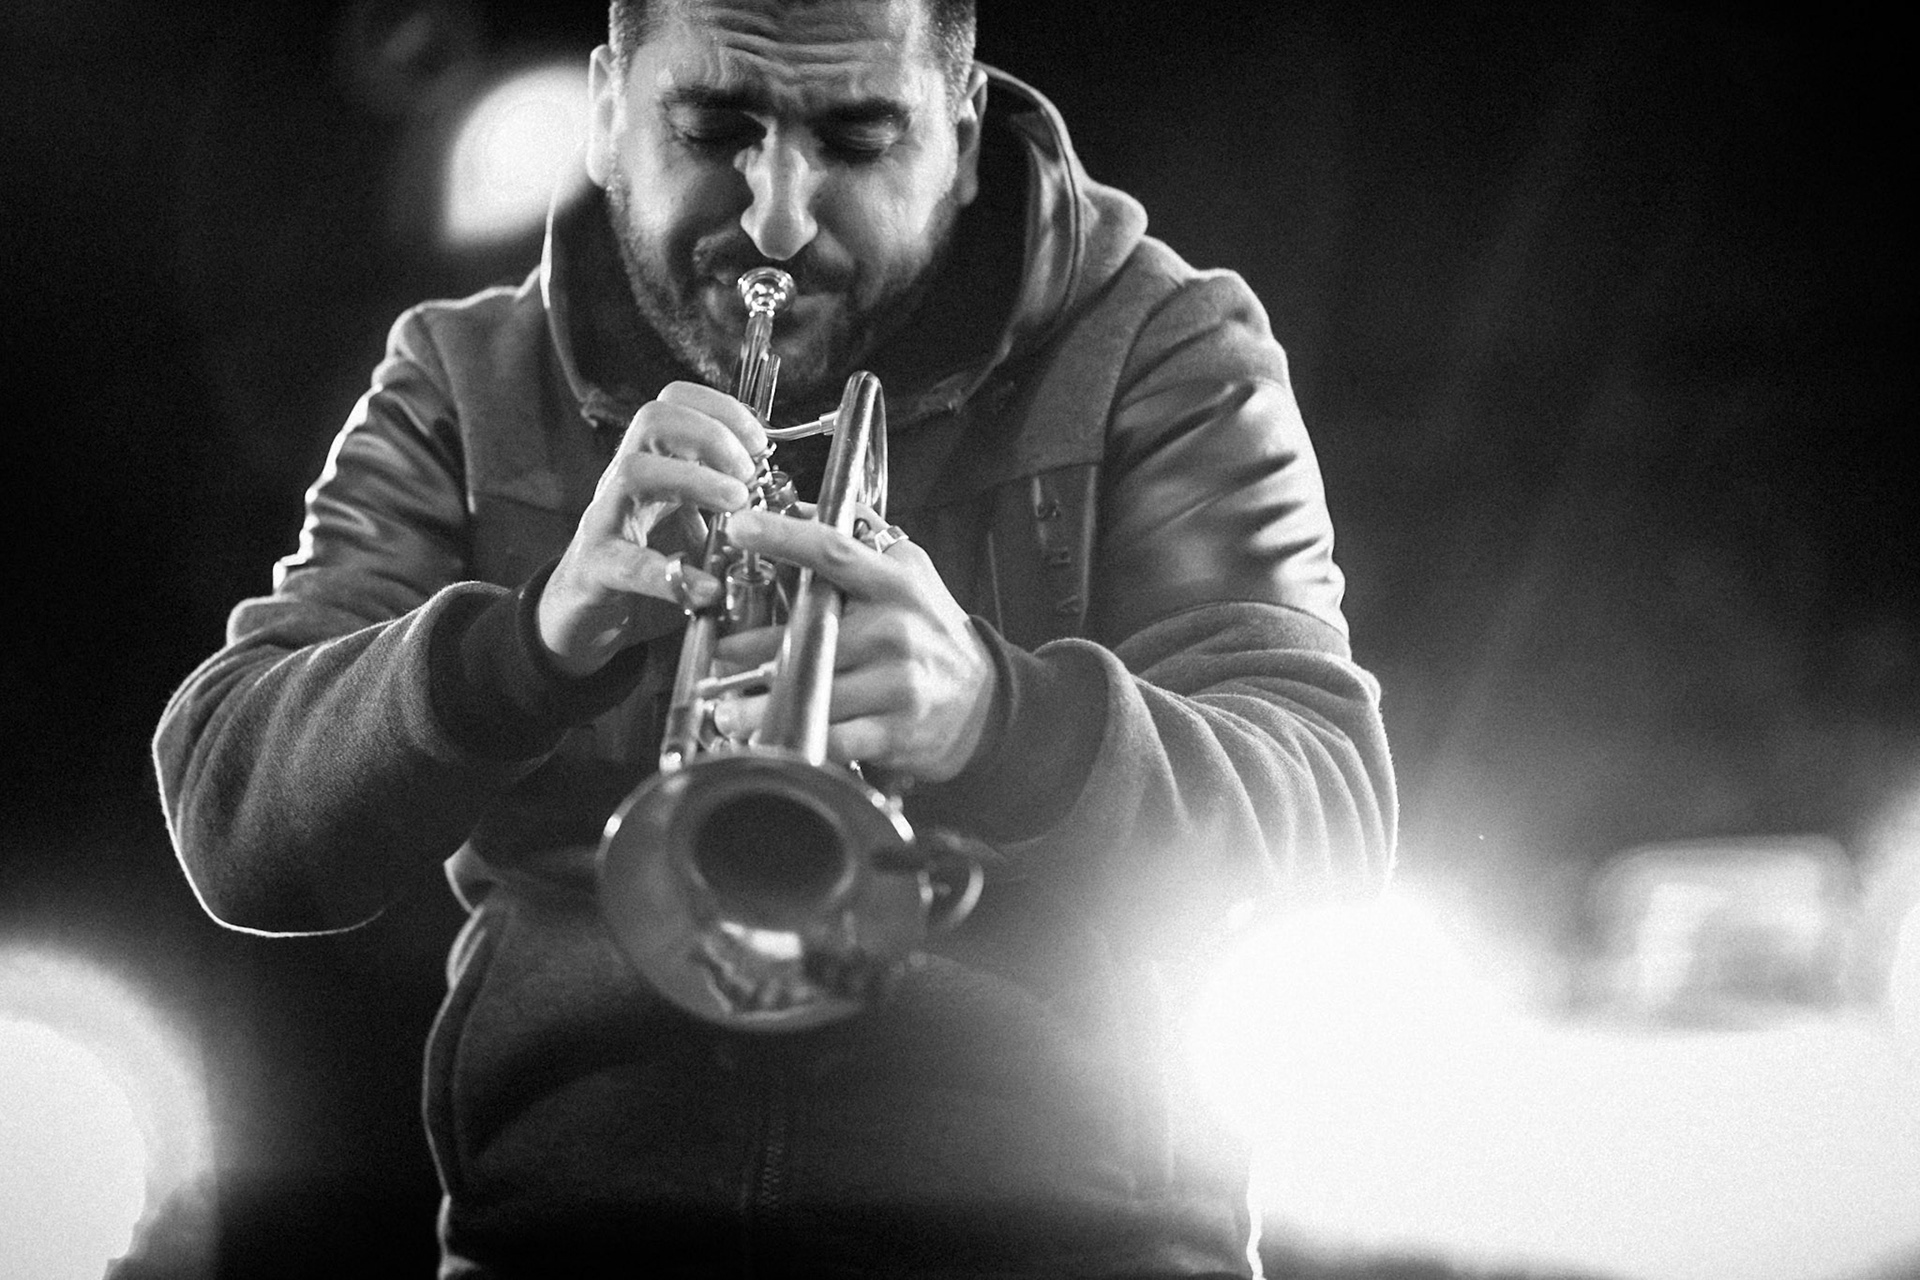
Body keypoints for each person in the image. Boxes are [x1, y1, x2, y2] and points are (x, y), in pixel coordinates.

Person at [154, 0, 1396, 1274]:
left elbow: (1328, 821)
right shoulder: (465, 375)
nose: (777, 223)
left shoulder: (1161, 347)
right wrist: (527, 648)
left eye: (858, 142)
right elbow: (235, 824)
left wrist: (1001, 718)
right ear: (606, 113)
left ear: (962, 137)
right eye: (712, 130)